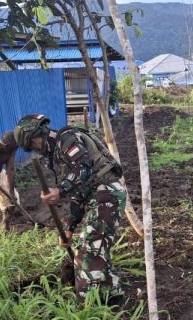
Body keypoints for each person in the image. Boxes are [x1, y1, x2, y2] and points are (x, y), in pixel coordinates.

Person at [14, 114, 126, 299]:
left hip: (107, 195)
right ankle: (112, 295)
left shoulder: (67, 139)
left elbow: (83, 170)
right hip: (98, 195)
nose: (35, 150)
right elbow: (79, 194)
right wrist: (68, 229)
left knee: (87, 253)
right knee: (96, 249)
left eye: (31, 146)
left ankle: (86, 305)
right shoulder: (58, 152)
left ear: (35, 138)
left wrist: (59, 190)